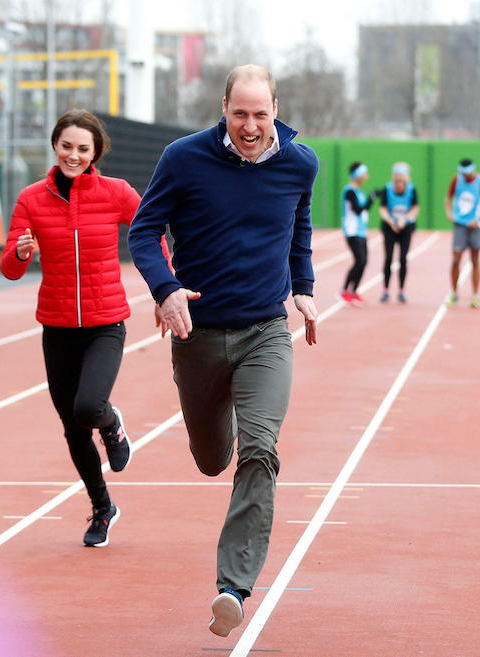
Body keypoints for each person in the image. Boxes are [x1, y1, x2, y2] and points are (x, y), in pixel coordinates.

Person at [127, 64, 319, 639]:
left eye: (261, 114)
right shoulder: (184, 158)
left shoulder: (300, 162)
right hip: (198, 336)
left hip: (265, 331)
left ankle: (232, 587)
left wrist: (303, 288)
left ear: (276, 111)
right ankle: (220, 424)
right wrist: (165, 290)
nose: (251, 126)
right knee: (213, 458)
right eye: (240, 113)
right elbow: (143, 230)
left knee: (260, 450)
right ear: (224, 108)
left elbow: (299, 225)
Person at [1, 109, 141, 548]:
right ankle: (103, 509)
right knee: (73, 427)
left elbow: (151, 232)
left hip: (105, 322)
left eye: (83, 149)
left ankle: (112, 423)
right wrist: (22, 252)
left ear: (96, 151)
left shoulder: (116, 193)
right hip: (58, 326)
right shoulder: (31, 199)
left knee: (88, 406)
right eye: (67, 147)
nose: (74, 156)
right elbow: (9, 268)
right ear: (55, 146)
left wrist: (166, 287)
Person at [444, 158, 480, 308]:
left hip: (475, 226)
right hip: (459, 224)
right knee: (456, 259)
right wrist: (448, 212)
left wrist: (479, 218)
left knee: (475, 260)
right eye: (463, 173)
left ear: (473, 170)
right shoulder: (456, 179)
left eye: (468, 173)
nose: (466, 176)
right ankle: (454, 293)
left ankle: (475, 295)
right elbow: (448, 197)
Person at [375, 162, 419, 303]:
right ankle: (385, 290)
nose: (399, 180)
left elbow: (415, 208)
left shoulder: (412, 190)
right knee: (388, 257)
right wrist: (391, 222)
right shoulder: (387, 189)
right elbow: (382, 209)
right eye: (397, 177)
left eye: (402, 177)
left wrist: (404, 220)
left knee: (403, 258)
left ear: (406, 178)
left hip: (406, 227)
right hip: (390, 227)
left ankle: (401, 290)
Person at [339, 161, 372, 306]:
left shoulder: (359, 191)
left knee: (364, 261)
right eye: (364, 174)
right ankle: (344, 290)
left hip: (361, 231)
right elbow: (358, 210)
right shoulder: (350, 191)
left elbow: (363, 210)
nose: (366, 177)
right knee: (360, 260)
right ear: (357, 175)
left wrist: (371, 200)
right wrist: (371, 199)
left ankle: (354, 291)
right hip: (352, 231)